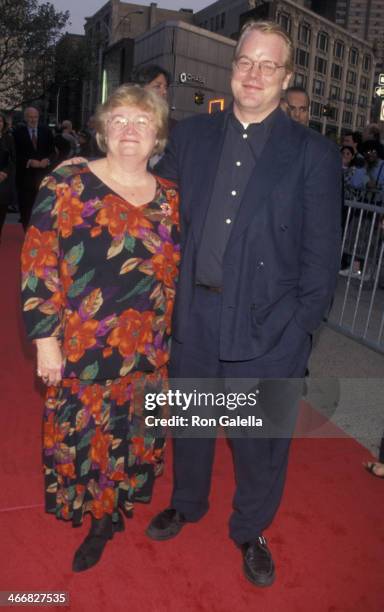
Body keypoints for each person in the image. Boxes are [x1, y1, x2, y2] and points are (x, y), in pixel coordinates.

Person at [145, 20, 341, 588]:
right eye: (245, 62)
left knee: (260, 441)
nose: (253, 74)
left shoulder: (313, 153)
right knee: (193, 422)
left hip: (268, 325)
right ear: (231, 70)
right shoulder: (192, 138)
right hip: (195, 316)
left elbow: (320, 257)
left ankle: (250, 528)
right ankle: (187, 502)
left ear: (287, 77)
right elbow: (152, 211)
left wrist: (299, 330)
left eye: (267, 65)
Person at [20, 85, 180, 573]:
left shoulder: (171, 197)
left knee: (129, 435)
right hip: (83, 346)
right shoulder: (67, 182)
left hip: (147, 349)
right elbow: (38, 263)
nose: (130, 128)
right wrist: (46, 341)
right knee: (87, 436)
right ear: (102, 129)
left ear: (157, 135)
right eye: (119, 119)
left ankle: (111, 512)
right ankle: (95, 518)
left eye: (142, 120)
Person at [13, 107, 55, 230]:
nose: (33, 119)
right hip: (25, 177)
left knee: (43, 206)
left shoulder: (46, 131)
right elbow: (15, 154)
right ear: (25, 118)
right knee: (26, 207)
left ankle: (41, 231)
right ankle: (27, 231)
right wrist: (29, 162)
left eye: (35, 117)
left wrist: (47, 160)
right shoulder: (17, 133)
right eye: (30, 117)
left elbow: (53, 151)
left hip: (44, 177)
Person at [0, 112, 15, 239]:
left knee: (2, 207)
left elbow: (13, 159)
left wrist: (5, 172)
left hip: (4, 178)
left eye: (0, 121)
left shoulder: (8, 139)